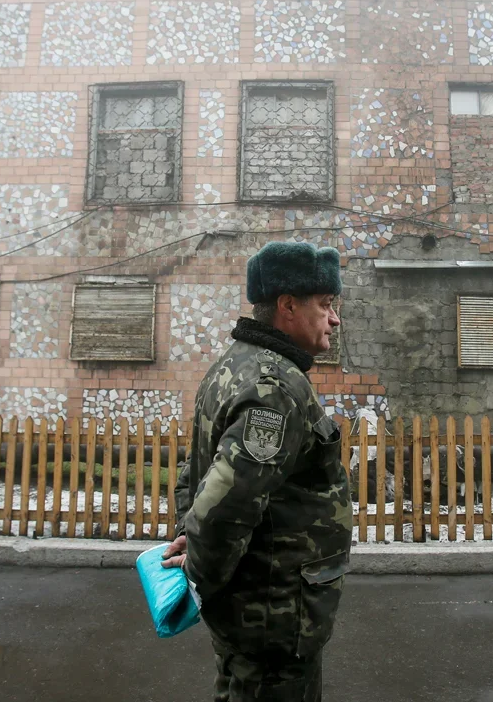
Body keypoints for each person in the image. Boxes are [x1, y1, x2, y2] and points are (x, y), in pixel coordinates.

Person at [163, 241, 352, 702]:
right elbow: (226, 504)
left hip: (256, 610)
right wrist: (200, 570)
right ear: (288, 306)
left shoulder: (234, 365)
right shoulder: (274, 387)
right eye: (325, 305)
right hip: (275, 614)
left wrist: (193, 542)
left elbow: (197, 472)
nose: (335, 319)